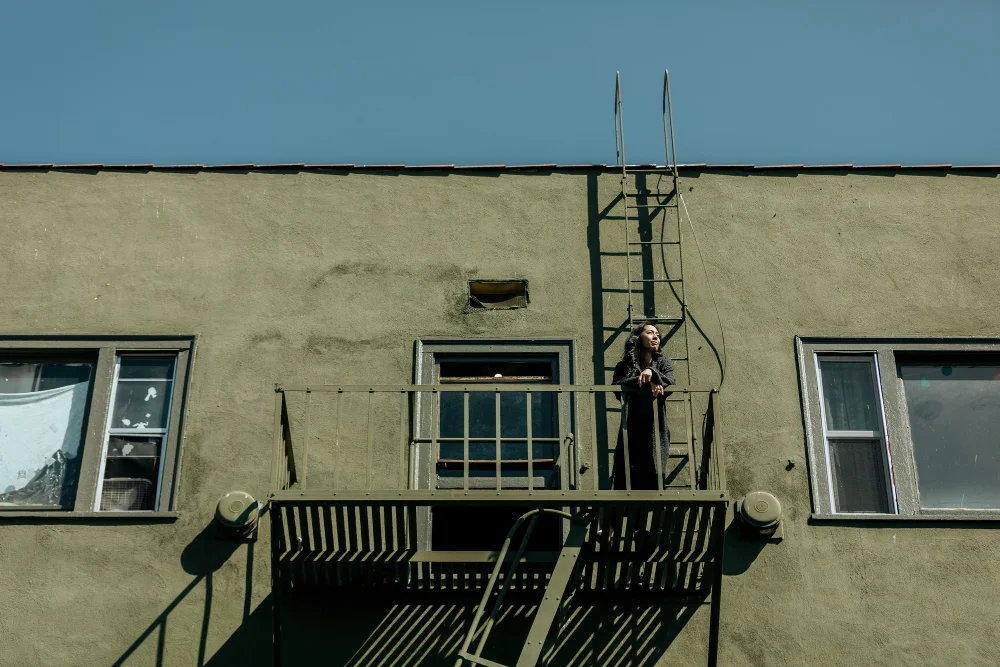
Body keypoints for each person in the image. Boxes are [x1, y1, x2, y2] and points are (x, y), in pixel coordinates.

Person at [611, 321, 676, 490]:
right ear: (638, 338)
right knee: (627, 472)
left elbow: (671, 381)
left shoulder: (663, 363)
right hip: (632, 427)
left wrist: (653, 373)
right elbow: (618, 387)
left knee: (654, 473)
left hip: (655, 427)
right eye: (650, 333)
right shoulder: (623, 366)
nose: (656, 337)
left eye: (658, 335)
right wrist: (648, 382)